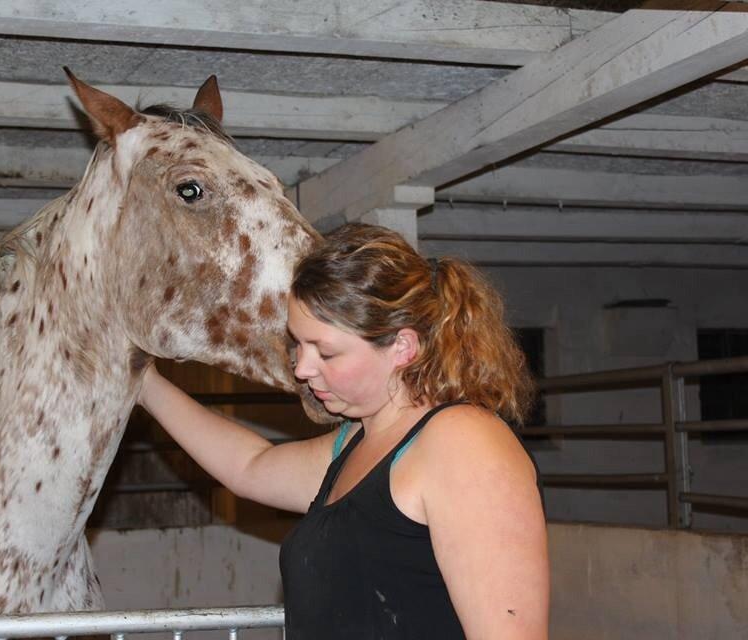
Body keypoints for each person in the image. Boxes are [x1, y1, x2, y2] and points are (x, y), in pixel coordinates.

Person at [137, 223, 549, 639]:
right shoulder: (357, 441)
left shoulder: (464, 444)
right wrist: (142, 382)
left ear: (403, 348)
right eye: (297, 344)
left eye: (326, 352)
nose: (301, 368)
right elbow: (250, 466)